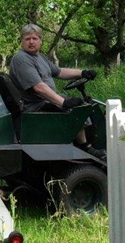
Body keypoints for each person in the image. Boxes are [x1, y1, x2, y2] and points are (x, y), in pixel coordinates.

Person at [9, 22, 106, 160]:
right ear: (22, 41)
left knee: (84, 104)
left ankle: (84, 142)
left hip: (44, 101)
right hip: (35, 105)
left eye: (35, 38)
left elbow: (59, 72)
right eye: (27, 39)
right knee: (77, 109)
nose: (31, 42)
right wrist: (63, 102)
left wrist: (82, 73)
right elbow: (39, 88)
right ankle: (85, 147)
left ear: (41, 41)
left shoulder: (39, 57)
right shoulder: (21, 59)